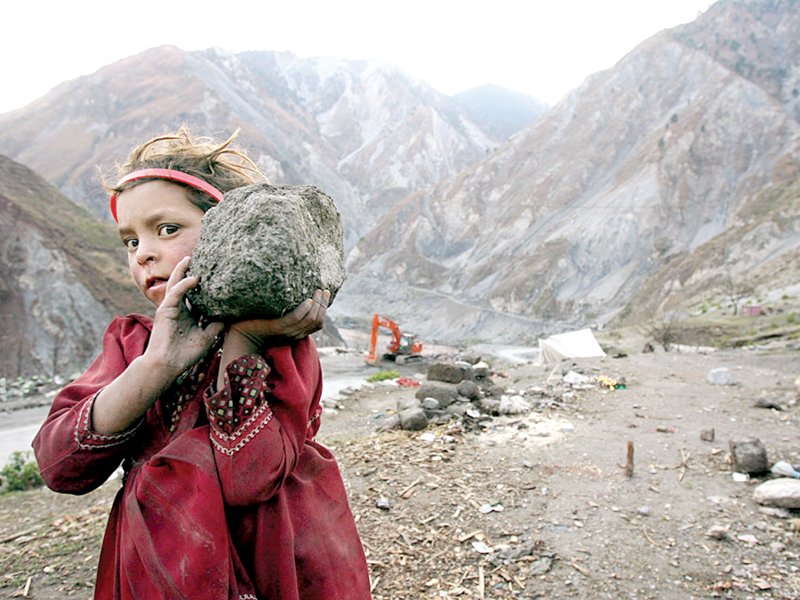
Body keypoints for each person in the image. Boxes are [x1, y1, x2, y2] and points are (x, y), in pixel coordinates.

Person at [32, 128, 372, 599]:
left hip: (272, 558)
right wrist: (157, 366)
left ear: (228, 232)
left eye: (166, 229)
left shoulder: (281, 342)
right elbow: (60, 467)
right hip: (162, 561)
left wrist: (246, 340)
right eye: (130, 241)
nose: (143, 253)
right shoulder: (133, 342)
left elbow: (249, 479)